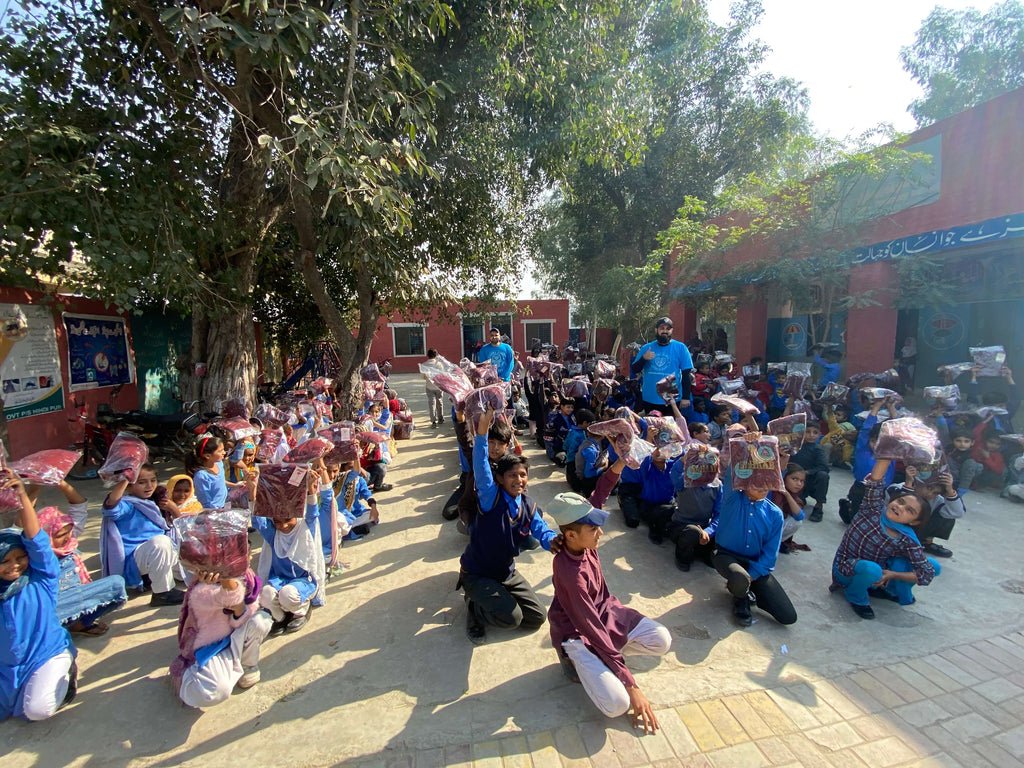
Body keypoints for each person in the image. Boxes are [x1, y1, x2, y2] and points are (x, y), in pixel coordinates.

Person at [547, 489, 670, 733]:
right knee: (617, 704)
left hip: (606, 614)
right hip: (578, 632)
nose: (600, 533)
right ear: (570, 535)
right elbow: (590, 627)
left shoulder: (581, 542)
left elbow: (600, 494)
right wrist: (631, 684)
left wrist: (621, 462)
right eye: (593, 529)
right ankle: (576, 659)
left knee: (661, 640)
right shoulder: (571, 574)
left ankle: (607, 659)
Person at [459, 407, 559, 644]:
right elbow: (481, 462)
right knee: (511, 619)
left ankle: (497, 596)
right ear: (501, 479)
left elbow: (542, 530)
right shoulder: (489, 496)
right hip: (478, 572)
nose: (518, 480)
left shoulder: (528, 504)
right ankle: (474, 606)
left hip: (506, 572)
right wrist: (482, 432)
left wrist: (553, 540)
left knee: (536, 618)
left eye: (523, 475)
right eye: (512, 476)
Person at [0, 471, 78, 722]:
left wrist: (22, 495)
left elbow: (36, 541)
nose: (14, 565)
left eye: (20, 558)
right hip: (8, 667)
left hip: (46, 654)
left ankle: (67, 672)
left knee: (37, 710)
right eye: (5, 561)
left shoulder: (41, 578)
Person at [830, 458, 938, 618]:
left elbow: (926, 573)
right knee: (871, 569)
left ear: (914, 521)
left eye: (909, 510)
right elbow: (876, 481)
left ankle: (890, 590)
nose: (899, 507)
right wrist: (886, 455)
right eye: (900, 501)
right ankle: (855, 595)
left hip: (879, 577)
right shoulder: (872, 510)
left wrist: (894, 575)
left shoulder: (906, 539)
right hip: (846, 569)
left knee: (933, 565)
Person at [711, 434, 797, 627]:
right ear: (745, 482)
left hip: (754, 563)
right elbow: (732, 473)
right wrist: (747, 445)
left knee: (788, 616)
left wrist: (754, 575)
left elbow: (770, 553)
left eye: (766, 483)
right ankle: (740, 599)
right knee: (739, 578)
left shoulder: (774, 513)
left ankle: (746, 588)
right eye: (756, 482)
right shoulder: (732, 499)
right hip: (726, 555)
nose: (762, 487)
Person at [170, 569, 273, 706]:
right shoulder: (202, 588)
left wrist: (228, 578)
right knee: (214, 691)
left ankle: (246, 664)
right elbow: (230, 599)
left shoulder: (247, 576)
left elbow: (245, 612)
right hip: (213, 646)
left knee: (261, 621)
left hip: (235, 635)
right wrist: (226, 577)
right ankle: (186, 679)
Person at [37, 492, 127, 636]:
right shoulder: (39, 558)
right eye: (60, 535)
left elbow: (78, 506)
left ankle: (79, 623)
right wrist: (29, 492)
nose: (67, 537)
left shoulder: (70, 547)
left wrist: (61, 483)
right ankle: (53, 632)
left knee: (116, 583)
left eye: (68, 532)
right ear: (45, 537)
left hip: (76, 597)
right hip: (54, 608)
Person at [251, 470, 326, 635]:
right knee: (266, 594)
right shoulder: (274, 536)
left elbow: (313, 512)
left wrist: (310, 489)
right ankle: (281, 617)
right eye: (278, 522)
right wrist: (253, 490)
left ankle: (301, 610)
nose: (283, 526)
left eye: (288, 520)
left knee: (288, 594)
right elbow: (258, 521)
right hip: (280, 580)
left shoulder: (305, 530)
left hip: (303, 581)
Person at [101, 464, 184, 606]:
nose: (149, 486)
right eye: (141, 482)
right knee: (161, 542)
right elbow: (111, 506)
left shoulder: (153, 502)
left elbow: (179, 523)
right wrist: (126, 478)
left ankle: (154, 578)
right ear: (129, 486)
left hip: (155, 556)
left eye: (153, 480)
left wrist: (172, 508)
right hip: (135, 559)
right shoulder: (127, 505)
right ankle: (162, 593)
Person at [838, 397, 897, 524]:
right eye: (874, 441)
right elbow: (866, 429)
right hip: (860, 488)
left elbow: (897, 430)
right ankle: (847, 508)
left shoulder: (889, 454)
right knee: (855, 520)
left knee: (874, 519)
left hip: (882, 491)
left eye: (881, 442)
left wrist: (891, 408)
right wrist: (876, 407)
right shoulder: (863, 449)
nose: (877, 445)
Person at [894, 467, 964, 559]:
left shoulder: (937, 500)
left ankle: (925, 542)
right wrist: (908, 484)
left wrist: (950, 490)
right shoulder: (896, 488)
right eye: (929, 488)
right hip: (893, 530)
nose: (930, 494)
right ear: (918, 481)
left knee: (948, 512)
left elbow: (957, 513)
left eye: (936, 493)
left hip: (916, 532)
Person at [630, 317, 694, 415]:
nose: (665, 331)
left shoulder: (681, 348)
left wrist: (686, 397)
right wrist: (643, 359)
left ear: (671, 331)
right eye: (662, 328)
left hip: (671, 400)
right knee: (652, 429)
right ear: (656, 330)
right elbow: (634, 369)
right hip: (650, 398)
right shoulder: (646, 348)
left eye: (668, 329)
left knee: (670, 429)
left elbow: (686, 375)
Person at [668, 462, 721, 572]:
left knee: (723, 532)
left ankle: (702, 552)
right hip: (681, 526)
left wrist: (708, 531)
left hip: (704, 528)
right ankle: (683, 558)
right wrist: (683, 460)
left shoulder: (717, 486)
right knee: (692, 532)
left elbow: (719, 514)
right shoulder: (686, 480)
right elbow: (674, 474)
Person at [187, 436, 243, 510]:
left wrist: (235, 486)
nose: (224, 452)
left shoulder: (219, 464)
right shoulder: (201, 476)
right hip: (214, 511)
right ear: (207, 456)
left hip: (225, 505)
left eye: (223, 449)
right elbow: (205, 502)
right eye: (220, 451)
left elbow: (221, 482)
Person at [790, 421, 830, 522]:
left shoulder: (817, 449)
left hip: (810, 481)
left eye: (815, 433)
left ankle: (818, 506)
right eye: (808, 432)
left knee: (823, 475)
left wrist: (807, 472)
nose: (811, 435)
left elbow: (824, 467)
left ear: (819, 434)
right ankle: (798, 498)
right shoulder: (794, 446)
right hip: (794, 480)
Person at [770, 464, 809, 553]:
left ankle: (775, 544)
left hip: (772, 531)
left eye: (802, 481)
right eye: (794, 479)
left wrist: (786, 494)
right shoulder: (773, 491)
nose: (799, 484)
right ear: (784, 477)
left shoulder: (794, 497)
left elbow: (799, 516)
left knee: (796, 522)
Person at [544, 397, 576, 466]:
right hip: (556, 444)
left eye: (572, 407)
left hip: (568, 443)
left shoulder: (572, 416)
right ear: (562, 406)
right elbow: (559, 431)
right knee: (561, 461)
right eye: (568, 407)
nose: (570, 409)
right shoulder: (554, 416)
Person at [421, 348, 446, 427]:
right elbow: (442, 375)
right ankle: (440, 418)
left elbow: (423, 377)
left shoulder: (424, 365)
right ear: (436, 355)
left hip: (429, 386)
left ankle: (433, 421)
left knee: (431, 404)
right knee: (440, 402)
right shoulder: (439, 364)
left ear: (428, 355)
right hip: (438, 386)